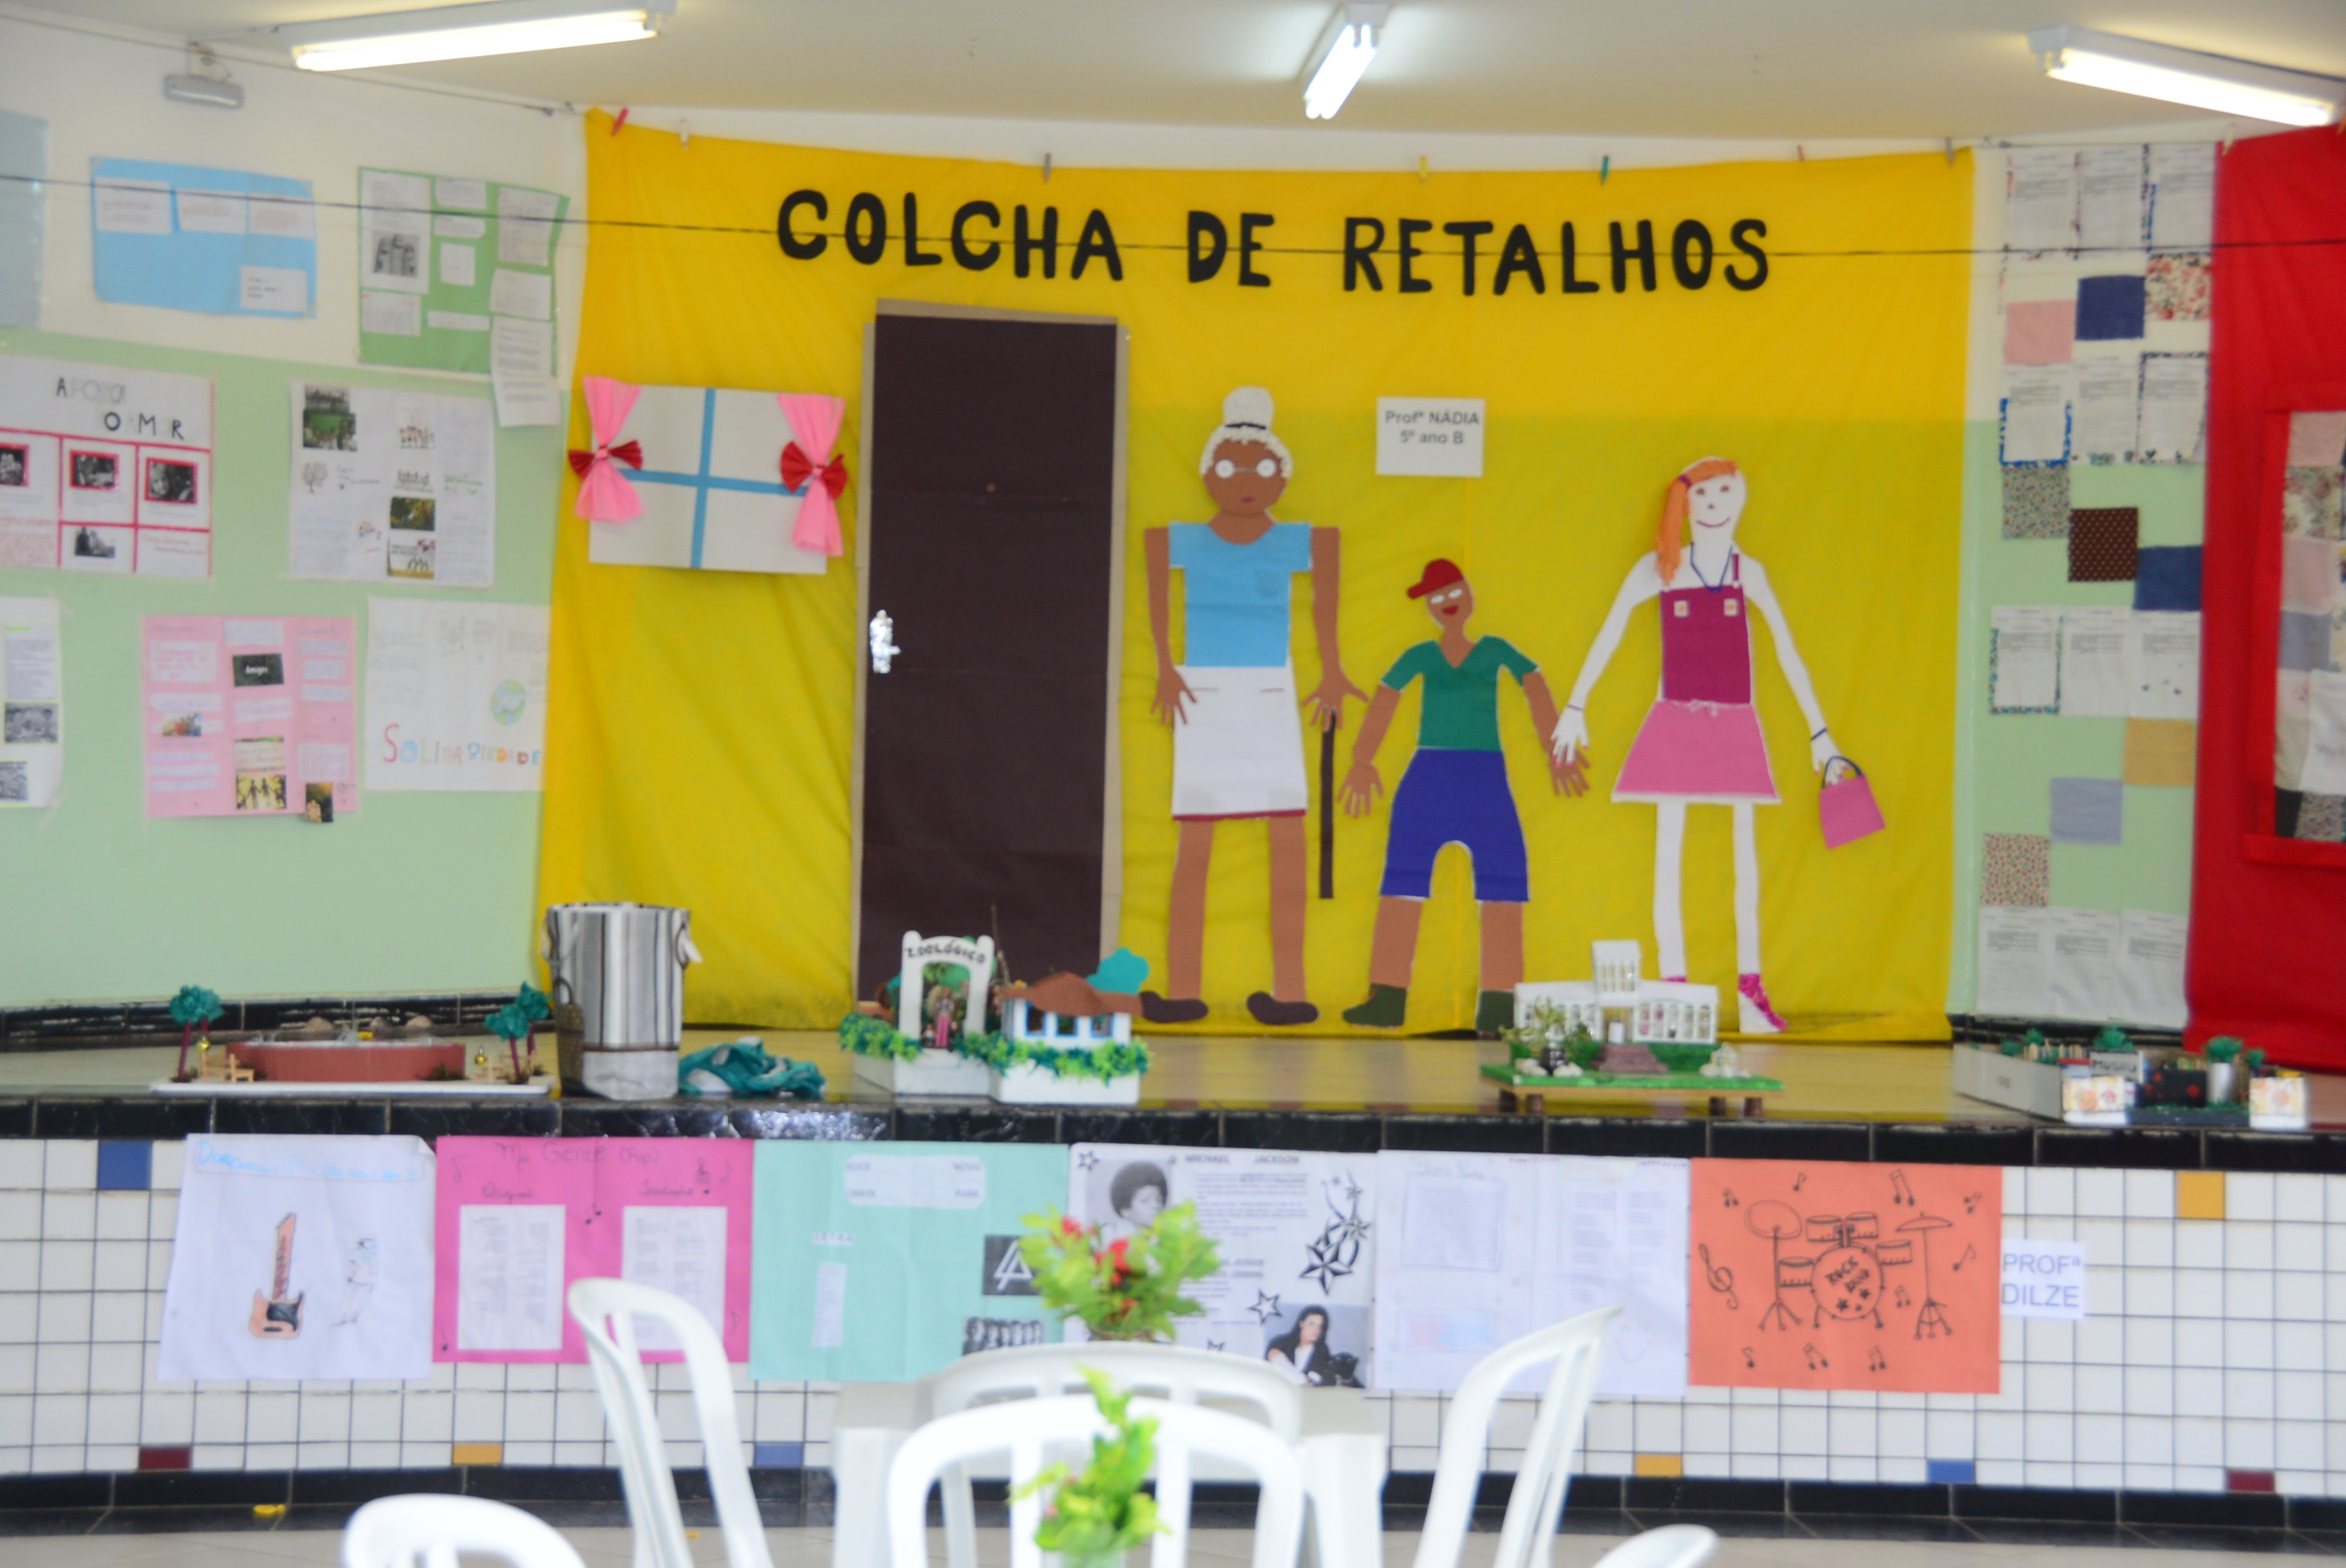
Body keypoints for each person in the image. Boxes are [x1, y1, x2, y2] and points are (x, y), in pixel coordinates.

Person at [1549, 459, 1839, 1033]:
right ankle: (1675, 993)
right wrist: (1576, 704)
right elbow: (1611, 629)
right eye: (1701, 493)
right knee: (1669, 858)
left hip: (1735, 724)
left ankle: (1750, 990)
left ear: (1741, 497)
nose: (1714, 503)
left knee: (1744, 862)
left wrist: (1819, 731)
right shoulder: (1662, 569)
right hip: (1676, 722)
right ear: (1683, 504)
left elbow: (1786, 649)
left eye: (1725, 490)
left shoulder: (1748, 572)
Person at [1144, 387, 1360, 1028]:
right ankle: (1185, 989)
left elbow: (1327, 580)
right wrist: (1165, 666)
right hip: (1203, 693)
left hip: (1269, 694)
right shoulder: (1184, 539)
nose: (1245, 481)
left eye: (1263, 468)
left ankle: (1290, 991)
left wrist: (1332, 669)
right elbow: (1155, 570)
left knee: (1287, 837)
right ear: (1209, 472)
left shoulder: (1299, 540)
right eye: (1229, 466)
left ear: (1282, 475)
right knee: (1195, 839)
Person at [1340, 560, 1586, 1035]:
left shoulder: (1494, 650)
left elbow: (1534, 683)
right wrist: (1362, 759)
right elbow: (1387, 697)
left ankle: (1499, 1003)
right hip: (1428, 775)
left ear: (1469, 592)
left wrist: (1554, 749)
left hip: (1484, 776)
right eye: (1435, 598)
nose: (1446, 603)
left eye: (1452, 591)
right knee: (1403, 880)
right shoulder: (1421, 655)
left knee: (1503, 882)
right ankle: (1386, 998)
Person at [1264, 1306, 1333, 1385]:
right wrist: (1303, 1381)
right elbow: (1270, 1372)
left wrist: (1281, 1363)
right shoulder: (1280, 1343)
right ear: (1302, 1324)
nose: (1316, 1330)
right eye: (1312, 1324)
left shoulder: (1322, 1351)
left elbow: (1314, 1381)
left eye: (1320, 1326)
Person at [1100, 1160, 1168, 1241]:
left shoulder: (1162, 1239)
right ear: (1125, 1209)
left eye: (1158, 1200)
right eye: (1145, 1201)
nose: (1155, 1205)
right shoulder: (1105, 1236)